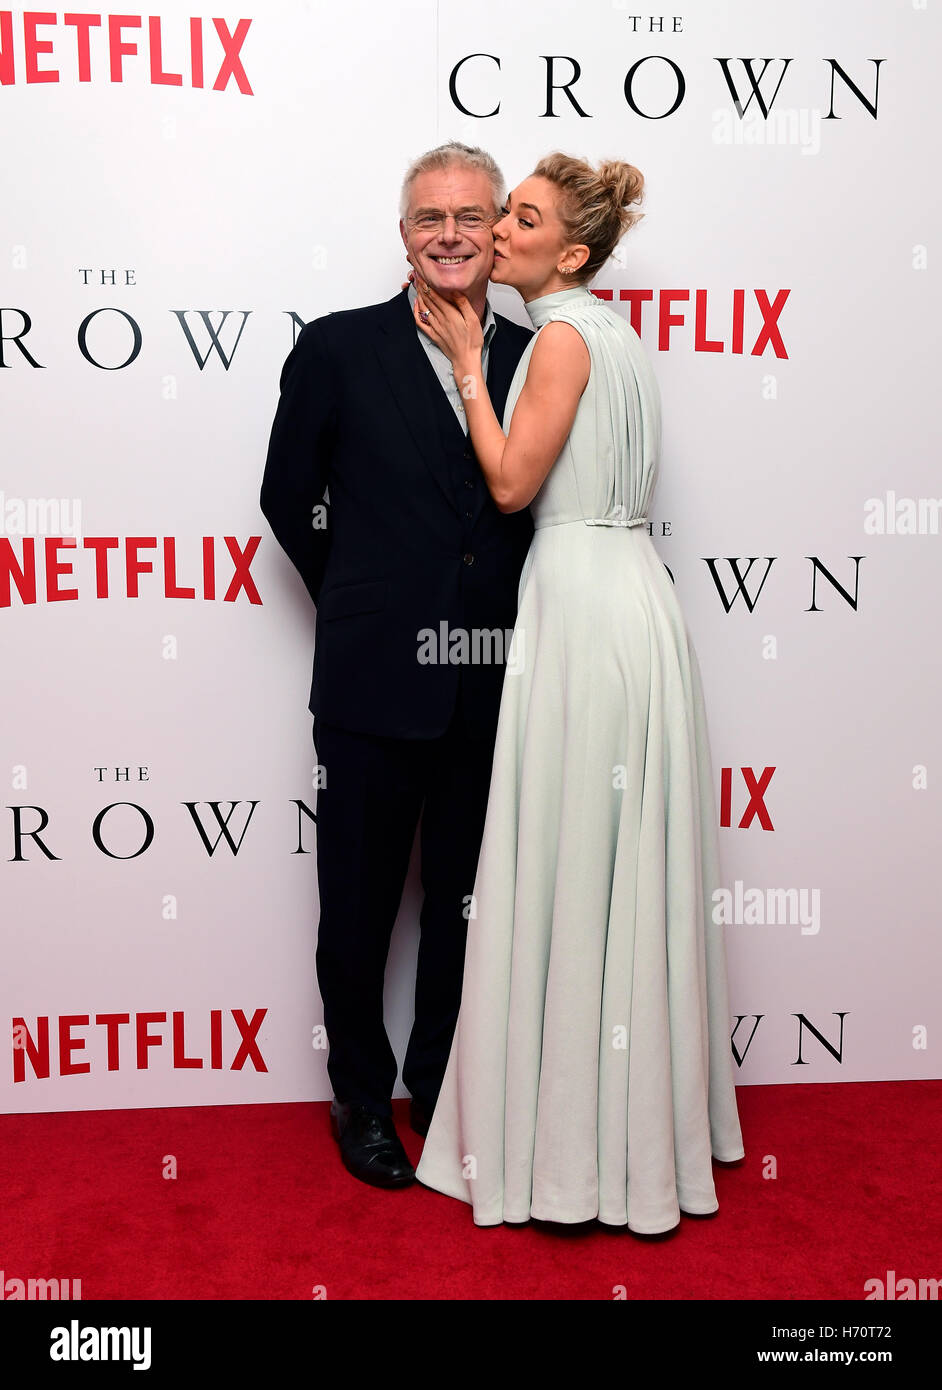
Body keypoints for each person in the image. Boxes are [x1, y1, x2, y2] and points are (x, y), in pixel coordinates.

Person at [412, 152, 745, 1232]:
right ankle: (625, 1140)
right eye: (504, 212)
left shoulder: (559, 336)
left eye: (523, 218)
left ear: (574, 253)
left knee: (571, 859)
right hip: (627, 601)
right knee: (608, 868)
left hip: (587, 611)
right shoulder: (619, 337)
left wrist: (468, 362)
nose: (499, 229)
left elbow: (512, 483)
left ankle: (568, 1156)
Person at [259, 143, 534, 1189]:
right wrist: (366, 595)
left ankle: (444, 1089)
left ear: (501, 224)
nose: (452, 234)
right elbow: (290, 496)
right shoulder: (337, 349)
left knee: (469, 901)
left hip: (493, 677)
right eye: (431, 218)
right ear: (404, 231)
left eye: (473, 215)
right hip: (375, 680)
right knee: (361, 907)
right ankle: (363, 1104)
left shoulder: (532, 353)